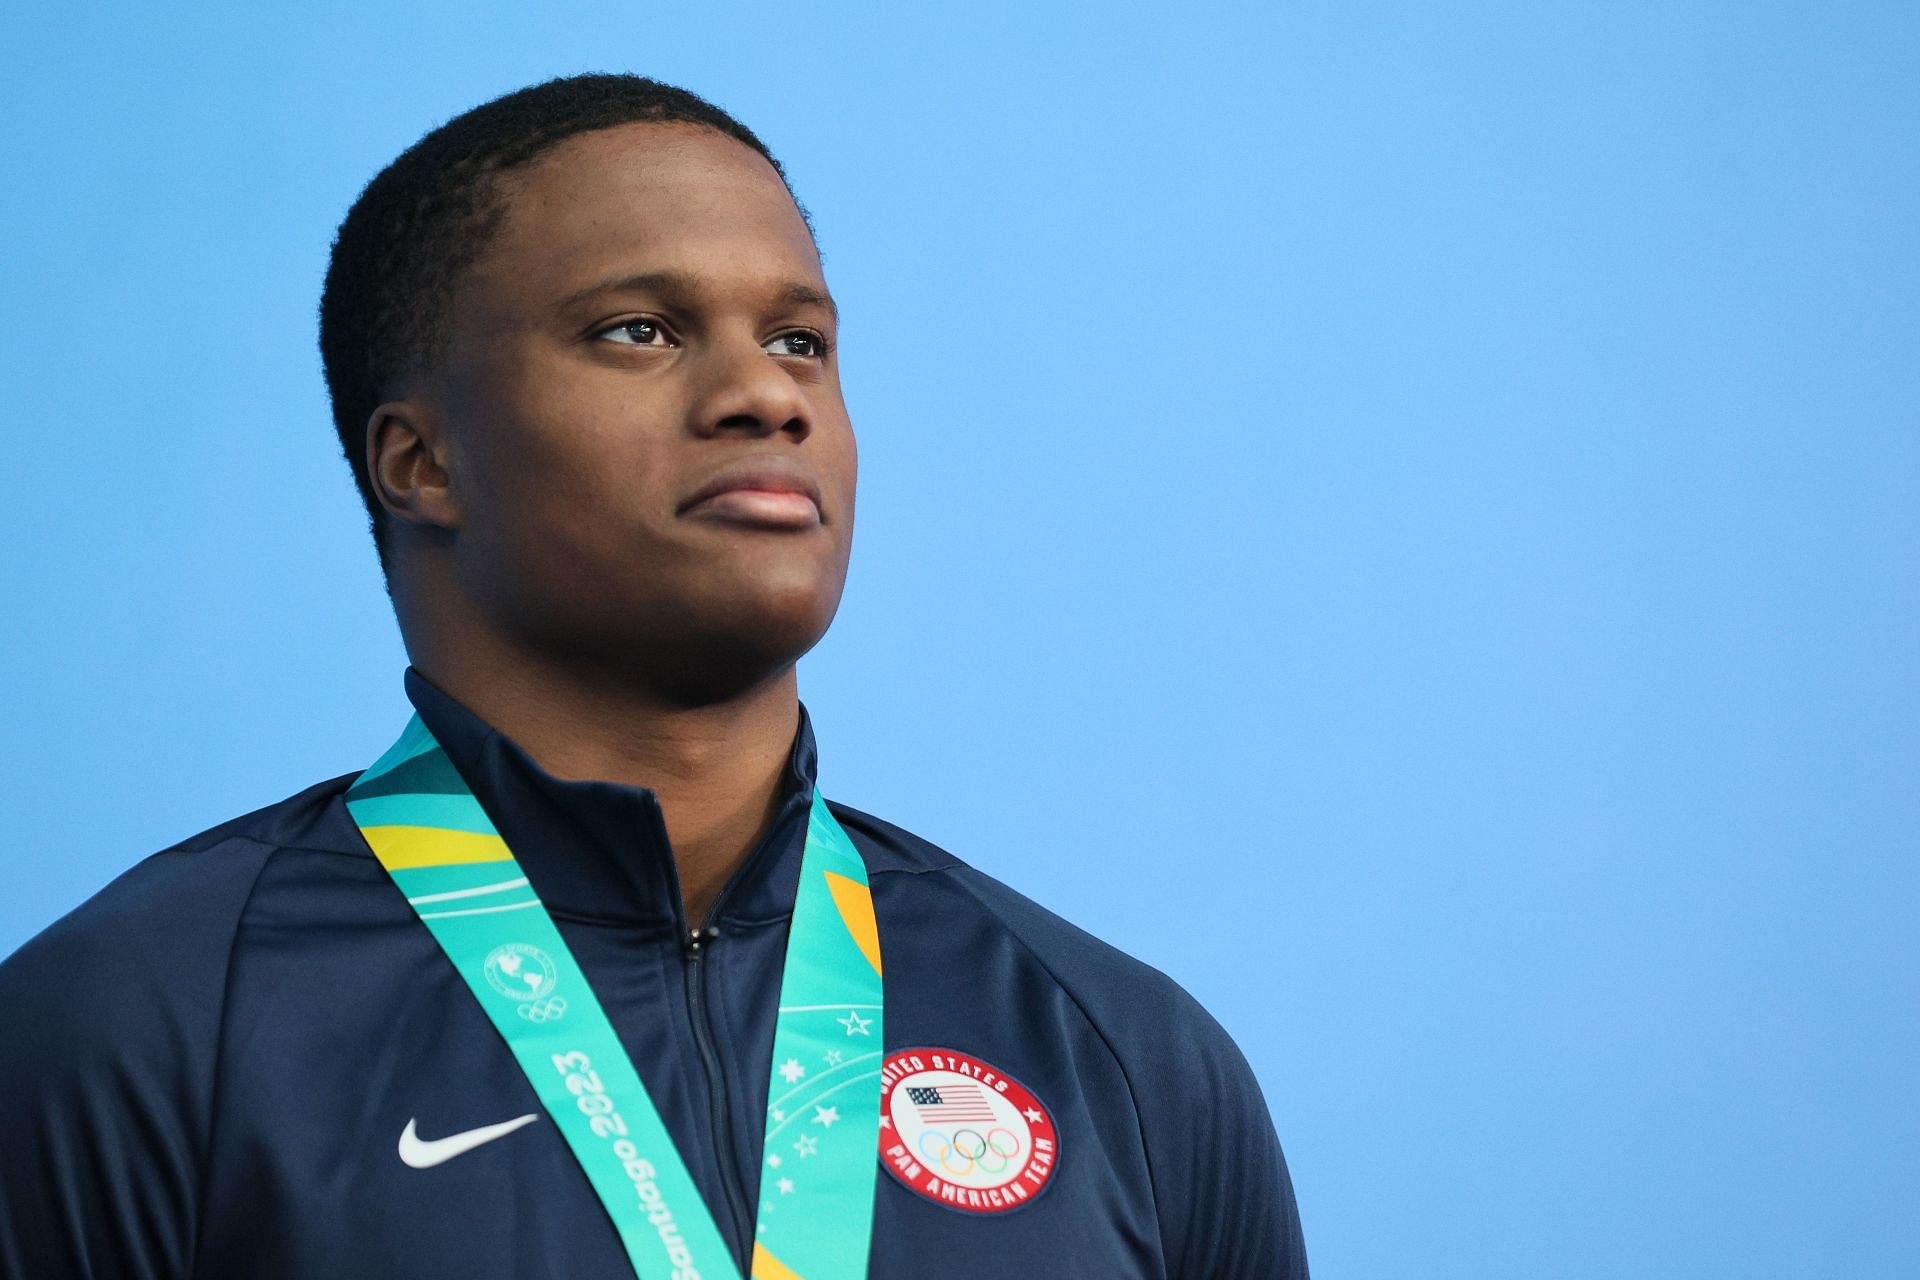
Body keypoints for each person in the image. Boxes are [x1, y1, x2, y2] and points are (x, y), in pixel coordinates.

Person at [0, 73, 1308, 1279]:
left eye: (801, 342)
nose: (765, 395)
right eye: (640, 330)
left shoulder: (1125, 1062)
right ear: (422, 463)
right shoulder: (132, 1037)